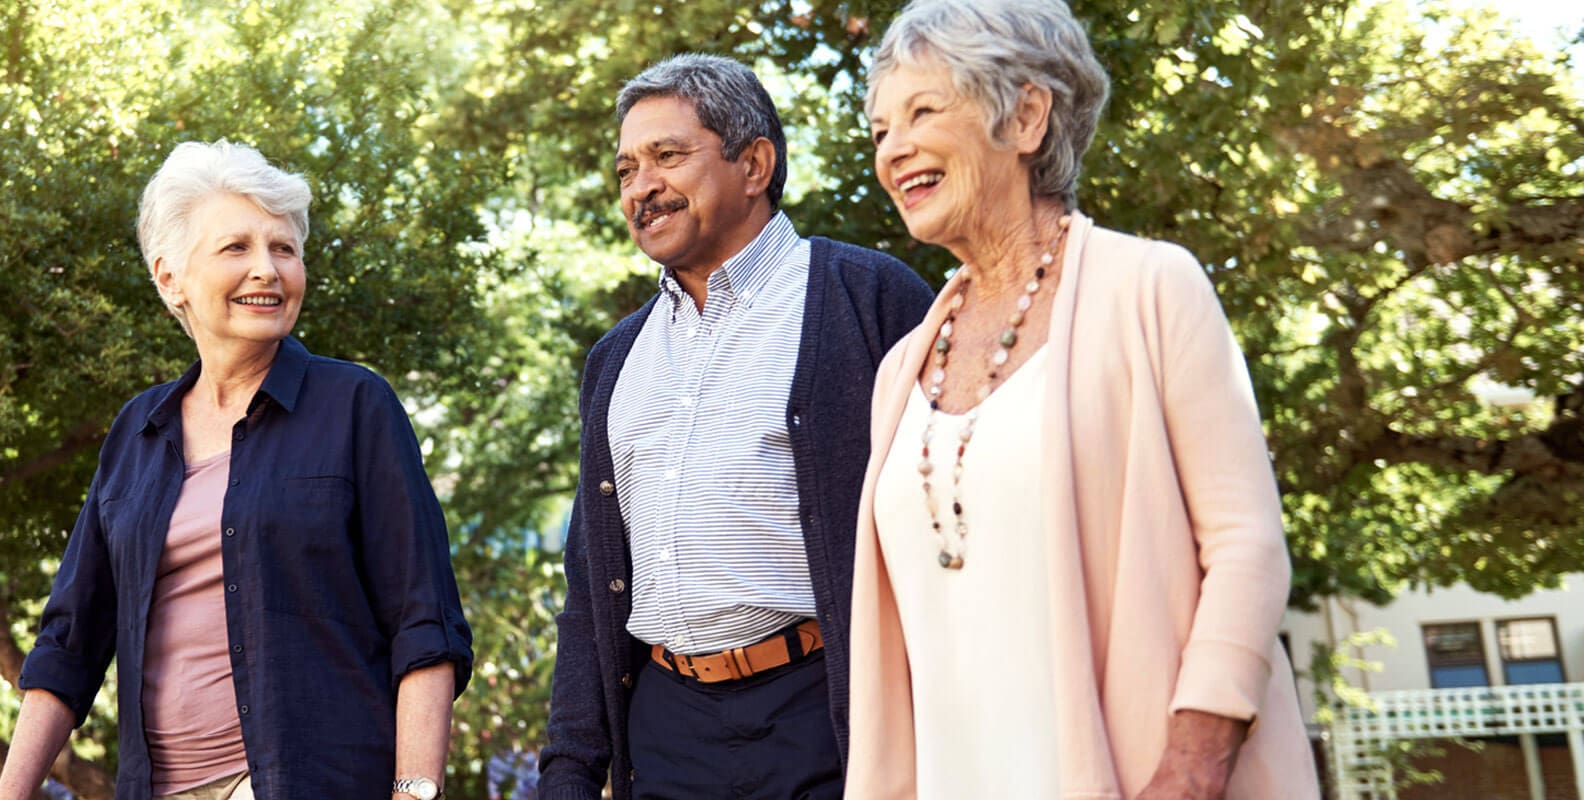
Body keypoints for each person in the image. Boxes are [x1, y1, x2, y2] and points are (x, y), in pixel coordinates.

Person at [846, 1, 1321, 798]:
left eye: (923, 111)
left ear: (1027, 116)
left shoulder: (1152, 288)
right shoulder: (901, 368)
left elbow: (1246, 546)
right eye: (881, 128)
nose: (894, 148)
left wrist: (1192, 768)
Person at [0, 140, 472, 800]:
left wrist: (414, 793)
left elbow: (425, 624)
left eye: (284, 249)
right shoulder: (138, 431)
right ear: (170, 278)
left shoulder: (355, 406)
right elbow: (69, 644)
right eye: (236, 248)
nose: (267, 270)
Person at [539, 54, 934, 799]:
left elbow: (948, 535)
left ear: (754, 164)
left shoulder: (872, 301)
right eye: (626, 169)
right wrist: (568, 769)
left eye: (667, 156)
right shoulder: (615, 359)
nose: (641, 188)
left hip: (825, 714)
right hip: (666, 729)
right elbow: (590, 589)